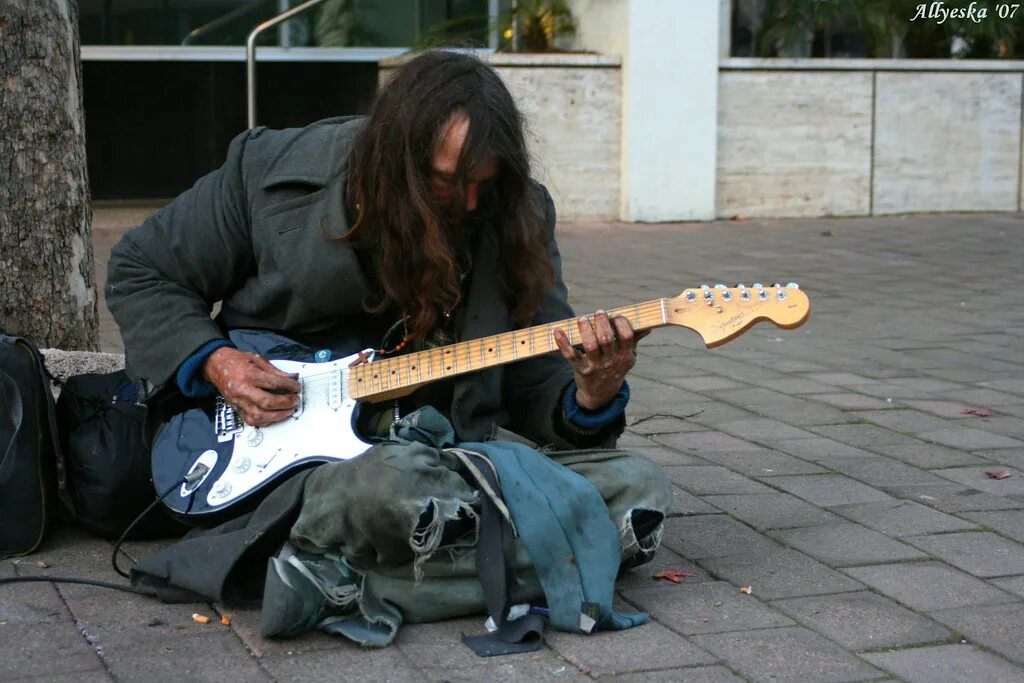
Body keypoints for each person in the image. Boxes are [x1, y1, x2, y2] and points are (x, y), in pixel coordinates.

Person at [106, 50, 671, 641]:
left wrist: (591, 392)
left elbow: (536, 386)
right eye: (446, 181)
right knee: (387, 487)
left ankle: (339, 580)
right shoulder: (273, 171)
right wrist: (219, 364)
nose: (470, 204)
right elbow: (141, 269)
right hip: (306, 467)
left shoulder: (519, 215)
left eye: (485, 183)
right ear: (396, 157)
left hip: (444, 458)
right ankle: (520, 550)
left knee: (641, 486)